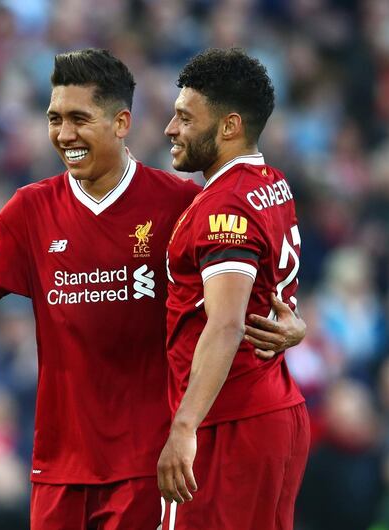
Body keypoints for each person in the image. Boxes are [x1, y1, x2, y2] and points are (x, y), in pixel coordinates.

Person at [0, 48, 304, 530]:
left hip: (151, 466)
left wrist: (293, 325)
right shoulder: (29, 211)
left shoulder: (182, 204)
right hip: (58, 470)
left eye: (78, 118)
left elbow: (244, 295)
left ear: (121, 123)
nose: (64, 134)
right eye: (54, 119)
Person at [157, 48, 309, 529]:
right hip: (273, 407)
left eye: (184, 117)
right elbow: (270, 295)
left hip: (229, 422)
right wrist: (298, 328)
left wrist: (183, 426)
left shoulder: (226, 206)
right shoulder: (271, 181)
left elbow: (225, 324)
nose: (170, 128)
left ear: (228, 127)